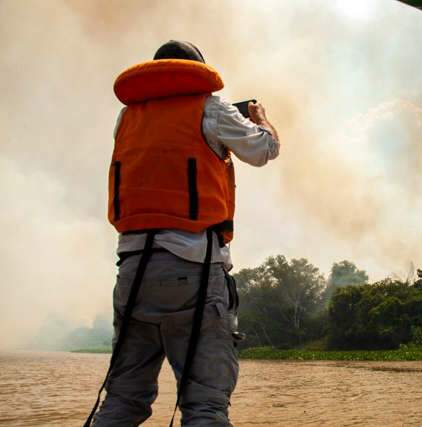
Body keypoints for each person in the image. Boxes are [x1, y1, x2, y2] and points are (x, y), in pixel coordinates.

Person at [88, 40, 280, 426]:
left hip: (132, 271)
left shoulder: (126, 118)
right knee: (205, 407)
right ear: (196, 73)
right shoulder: (211, 107)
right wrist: (260, 119)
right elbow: (264, 150)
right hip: (193, 269)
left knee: (123, 402)